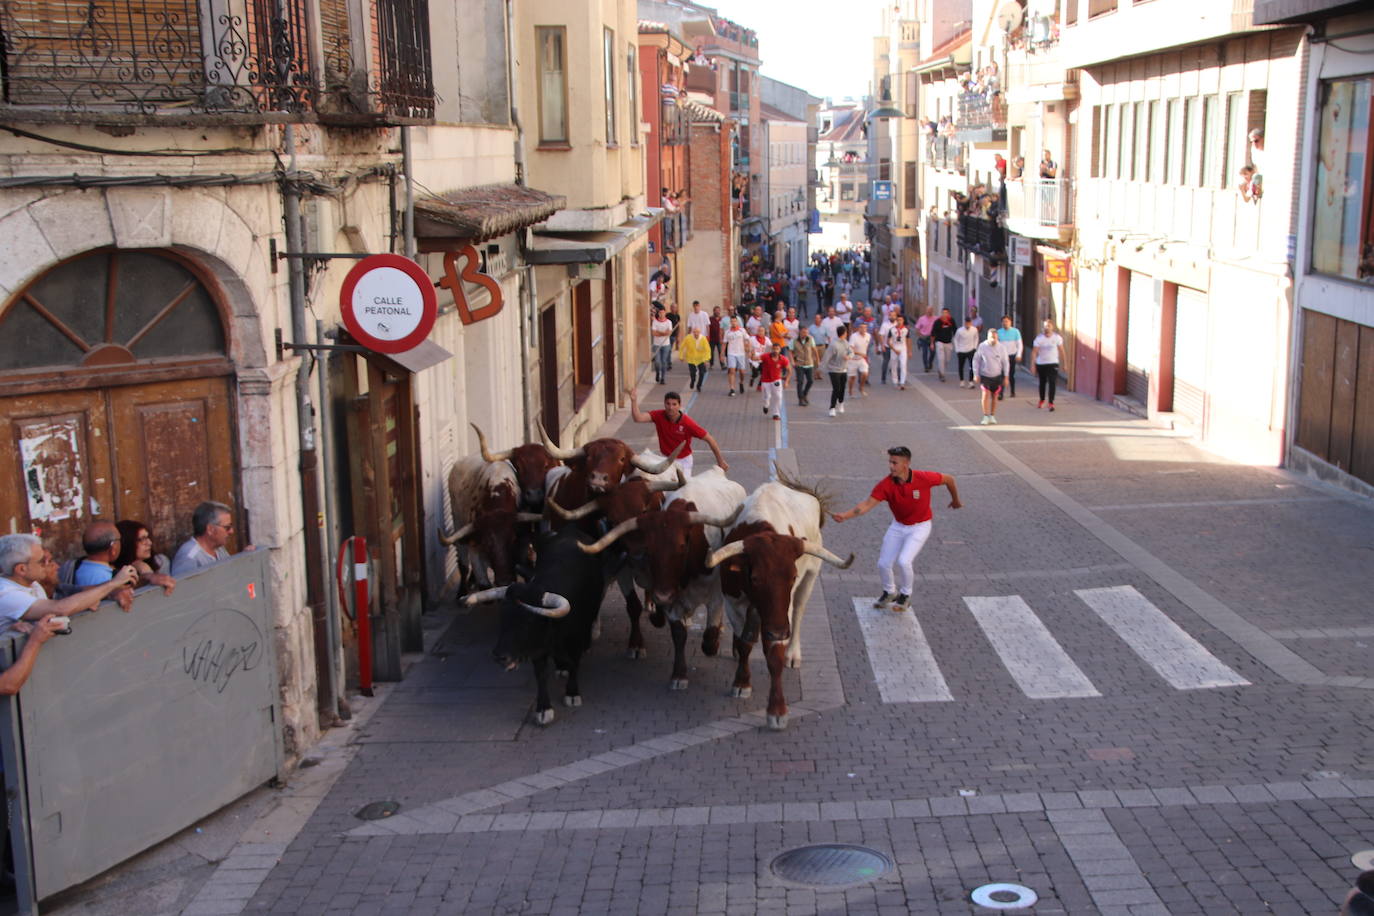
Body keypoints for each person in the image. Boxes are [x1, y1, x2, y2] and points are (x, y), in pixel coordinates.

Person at [830, 447, 961, 613]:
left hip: (920, 527)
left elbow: (949, 479)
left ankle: (905, 595)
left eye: (895, 463)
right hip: (898, 526)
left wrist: (955, 500)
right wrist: (845, 516)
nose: (891, 466)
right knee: (883, 563)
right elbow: (866, 505)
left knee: (904, 561)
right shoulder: (886, 485)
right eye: (890, 462)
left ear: (906, 464)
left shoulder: (923, 477)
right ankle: (890, 592)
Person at [0, 533, 138, 636]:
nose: (48, 565)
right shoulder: (6, 593)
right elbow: (60, 608)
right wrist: (114, 583)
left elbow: (72, 591)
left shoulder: (32, 583)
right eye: (42, 561)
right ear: (21, 569)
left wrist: (104, 593)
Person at [626, 389, 728, 477]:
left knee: (682, 490)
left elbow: (710, 439)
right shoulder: (658, 415)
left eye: (674, 404)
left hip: (683, 461)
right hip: (665, 460)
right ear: (664, 404)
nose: (671, 407)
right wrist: (634, 401)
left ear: (679, 405)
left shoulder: (688, 423)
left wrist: (720, 461)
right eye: (668, 404)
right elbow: (638, 418)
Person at [170, 501, 253, 576]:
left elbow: (229, 575)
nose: (231, 531)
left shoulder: (218, 548)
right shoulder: (189, 558)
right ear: (210, 529)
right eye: (227, 527)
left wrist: (244, 558)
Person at [115, 520, 176, 593]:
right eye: (142, 539)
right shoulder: (115, 573)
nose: (149, 543)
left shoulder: (160, 561)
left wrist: (148, 572)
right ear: (127, 543)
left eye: (148, 537)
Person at [974, 329, 1010, 425]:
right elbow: (976, 360)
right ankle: (985, 415)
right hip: (985, 375)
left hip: (997, 376)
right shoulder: (982, 346)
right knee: (985, 395)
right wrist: (976, 374)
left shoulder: (1001, 348)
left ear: (997, 337)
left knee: (995, 396)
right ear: (987, 337)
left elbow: (1005, 362)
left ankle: (992, 415)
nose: (993, 339)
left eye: (995, 337)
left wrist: (1006, 376)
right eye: (991, 337)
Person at [1032, 319, 1065, 411]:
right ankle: (1042, 400)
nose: (1047, 328)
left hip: (1053, 363)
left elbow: (1062, 350)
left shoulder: (1057, 338)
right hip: (1041, 363)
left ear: (1052, 327)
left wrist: (1065, 363)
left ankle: (1051, 402)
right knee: (1042, 383)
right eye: (1045, 326)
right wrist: (1033, 365)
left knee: (1052, 382)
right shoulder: (1039, 338)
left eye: (1049, 326)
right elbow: (1034, 352)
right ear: (1043, 327)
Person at [821, 323, 851, 418]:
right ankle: (832, 408)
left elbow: (851, 352)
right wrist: (821, 368)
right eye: (846, 332)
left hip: (844, 369)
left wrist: (848, 356)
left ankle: (841, 403)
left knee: (842, 388)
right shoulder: (833, 345)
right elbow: (827, 357)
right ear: (844, 333)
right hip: (834, 370)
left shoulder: (846, 343)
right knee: (836, 388)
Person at [758, 342, 790, 419]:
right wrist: (751, 354)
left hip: (776, 380)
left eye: (777, 349)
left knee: (778, 397)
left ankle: (776, 413)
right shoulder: (765, 356)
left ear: (780, 350)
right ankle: (766, 405)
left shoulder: (783, 359)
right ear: (771, 349)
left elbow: (789, 370)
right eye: (774, 349)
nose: (775, 351)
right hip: (766, 381)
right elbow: (756, 358)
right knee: (767, 396)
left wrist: (786, 381)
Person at [680, 322, 711, 392]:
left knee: (702, 373)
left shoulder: (703, 339)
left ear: (700, 332)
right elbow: (682, 347)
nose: (696, 334)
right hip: (691, 358)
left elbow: (708, 349)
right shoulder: (688, 338)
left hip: (701, 358)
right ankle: (692, 381)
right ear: (692, 332)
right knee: (692, 373)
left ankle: (699, 385)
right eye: (694, 332)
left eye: (697, 332)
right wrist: (681, 356)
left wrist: (706, 359)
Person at [997, 315, 1022, 399]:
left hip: (1012, 356)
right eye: (1004, 321)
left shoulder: (1015, 332)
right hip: (1002, 357)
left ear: (1010, 322)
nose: (1005, 323)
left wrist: (1018, 355)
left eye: (1007, 321)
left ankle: (1012, 391)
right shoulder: (999, 332)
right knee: (1002, 374)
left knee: (1011, 374)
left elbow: (1019, 344)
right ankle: (1001, 393)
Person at [723, 316, 749, 396]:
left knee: (742, 372)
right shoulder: (727, 332)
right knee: (732, 370)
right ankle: (732, 388)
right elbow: (724, 343)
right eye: (732, 321)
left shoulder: (742, 330)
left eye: (735, 321)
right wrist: (721, 354)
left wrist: (747, 347)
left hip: (741, 353)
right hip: (731, 353)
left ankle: (741, 382)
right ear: (730, 323)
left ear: (737, 322)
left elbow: (747, 339)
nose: (733, 323)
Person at [792, 326, 818, 407]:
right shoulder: (794, 340)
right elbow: (790, 351)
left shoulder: (810, 339)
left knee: (810, 381)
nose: (805, 334)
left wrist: (817, 360)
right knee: (800, 381)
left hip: (809, 363)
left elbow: (814, 349)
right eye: (803, 332)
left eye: (806, 332)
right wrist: (792, 361)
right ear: (800, 332)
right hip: (799, 364)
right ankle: (800, 399)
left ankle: (804, 394)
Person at [931, 307, 957, 381]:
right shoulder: (937, 322)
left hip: (948, 342)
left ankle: (940, 370)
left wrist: (956, 341)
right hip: (939, 342)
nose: (945, 314)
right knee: (941, 358)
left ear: (948, 314)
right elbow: (933, 333)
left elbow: (955, 331)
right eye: (943, 313)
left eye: (946, 313)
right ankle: (942, 375)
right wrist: (932, 343)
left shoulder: (951, 321)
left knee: (947, 360)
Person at [954, 316, 980, 388]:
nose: (968, 324)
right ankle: (961, 381)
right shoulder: (959, 331)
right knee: (961, 366)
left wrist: (975, 347)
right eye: (966, 322)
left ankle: (971, 382)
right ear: (964, 323)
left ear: (971, 323)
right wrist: (957, 350)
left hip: (971, 350)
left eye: (969, 322)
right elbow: (956, 339)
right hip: (961, 351)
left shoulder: (974, 330)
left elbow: (976, 338)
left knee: (971, 366)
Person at [848, 321, 871, 398]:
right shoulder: (853, 336)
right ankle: (850, 391)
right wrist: (860, 353)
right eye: (861, 327)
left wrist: (864, 354)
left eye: (865, 327)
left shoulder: (868, 336)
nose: (863, 329)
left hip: (861, 359)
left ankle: (861, 387)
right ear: (858, 328)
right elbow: (851, 349)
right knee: (852, 378)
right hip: (852, 360)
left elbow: (866, 346)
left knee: (865, 373)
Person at [650, 307, 673, 384]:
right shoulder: (655, 322)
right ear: (658, 313)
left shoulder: (669, 322)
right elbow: (653, 333)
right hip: (656, 344)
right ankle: (657, 373)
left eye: (663, 313)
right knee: (657, 362)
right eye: (660, 313)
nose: (661, 314)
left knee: (663, 361)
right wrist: (663, 333)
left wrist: (659, 332)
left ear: (665, 313)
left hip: (666, 345)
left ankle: (663, 378)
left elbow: (669, 333)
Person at [887, 315, 910, 389]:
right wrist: (894, 349)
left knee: (903, 365)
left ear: (903, 321)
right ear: (896, 320)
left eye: (901, 320)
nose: (899, 321)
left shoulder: (906, 330)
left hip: (903, 348)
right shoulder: (892, 330)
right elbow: (888, 341)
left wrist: (909, 350)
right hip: (894, 348)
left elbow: (908, 340)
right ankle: (895, 381)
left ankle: (902, 382)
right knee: (894, 366)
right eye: (898, 320)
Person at [914, 307, 936, 373]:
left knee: (933, 352)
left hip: (932, 337)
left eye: (931, 310)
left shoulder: (935, 319)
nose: (929, 312)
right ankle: (926, 366)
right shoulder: (921, 319)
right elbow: (917, 329)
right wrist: (920, 336)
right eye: (928, 310)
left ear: (932, 311)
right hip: (924, 337)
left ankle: (930, 362)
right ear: (926, 311)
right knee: (925, 352)